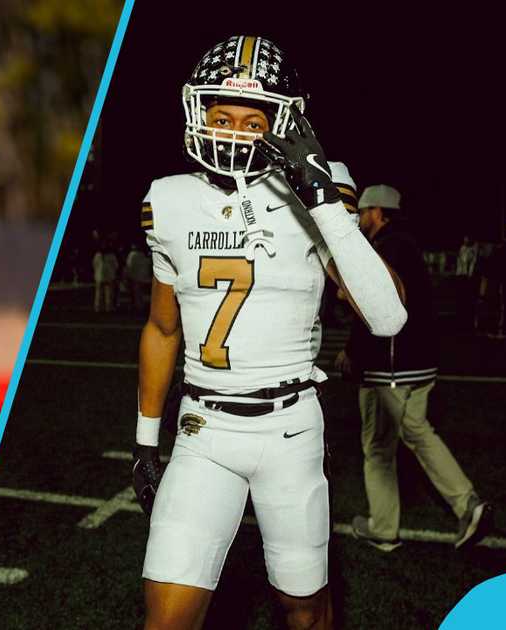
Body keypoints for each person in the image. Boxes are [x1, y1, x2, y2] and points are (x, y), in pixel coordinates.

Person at [130, 36, 406, 630]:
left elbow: (389, 317)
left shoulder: (317, 187)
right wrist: (145, 440)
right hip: (203, 430)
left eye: (251, 121)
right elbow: (161, 326)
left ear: (284, 125)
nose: (231, 132)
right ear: (196, 112)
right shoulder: (169, 198)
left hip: (290, 432)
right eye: (221, 116)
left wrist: (322, 200)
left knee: (306, 614)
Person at [335, 184, 488, 553]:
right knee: (411, 434)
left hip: (391, 364)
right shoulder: (407, 245)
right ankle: (404, 520)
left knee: (380, 446)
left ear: (376, 212)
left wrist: (352, 349)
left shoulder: (386, 248)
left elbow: (373, 306)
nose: (359, 219)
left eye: (363, 212)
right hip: (418, 363)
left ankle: (457, 506)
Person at [93, 239, 120, 312]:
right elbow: (116, 266)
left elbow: (94, 265)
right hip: (109, 276)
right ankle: (108, 307)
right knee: (109, 293)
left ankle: (98, 307)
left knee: (99, 293)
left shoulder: (97, 255)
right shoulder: (111, 256)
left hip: (99, 276)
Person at [124, 244, 153, 311]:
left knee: (136, 293)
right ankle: (141, 306)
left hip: (135, 277)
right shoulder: (143, 255)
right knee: (141, 294)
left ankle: (138, 307)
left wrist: (128, 276)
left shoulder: (132, 255)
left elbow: (129, 266)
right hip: (144, 277)